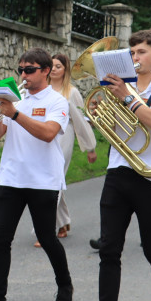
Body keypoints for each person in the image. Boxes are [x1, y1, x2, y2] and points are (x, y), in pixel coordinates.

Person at [73, 29, 151, 301]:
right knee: (109, 248)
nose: (135, 58)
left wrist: (126, 99)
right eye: (132, 53)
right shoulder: (122, 87)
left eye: (142, 52)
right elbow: (116, 126)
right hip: (119, 170)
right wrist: (100, 113)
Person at [0, 48, 73, 301]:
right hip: (11, 177)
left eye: (29, 69)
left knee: (47, 237)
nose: (23, 75)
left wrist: (14, 114)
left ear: (46, 71)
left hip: (43, 179)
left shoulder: (57, 101)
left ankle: (65, 285)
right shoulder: (17, 99)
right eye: (21, 70)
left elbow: (48, 134)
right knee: (0, 239)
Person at [46, 53, 97, 241]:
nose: (53, 69)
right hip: (44, 137)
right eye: (51, 66)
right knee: (51, 181)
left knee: (53, 179)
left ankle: (46, 229)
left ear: (65, 70)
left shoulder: (72, 92)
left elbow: (82, 122)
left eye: (58, 66)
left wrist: (90, 148)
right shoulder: (43, 90)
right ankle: (63, 222)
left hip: (64, 136)